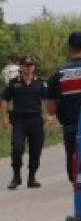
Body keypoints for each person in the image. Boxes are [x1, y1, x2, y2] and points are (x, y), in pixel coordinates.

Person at [45, 31, 81, 183]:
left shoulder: (57, 75)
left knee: (75, 170)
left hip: (71, 129)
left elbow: (50, 110)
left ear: (69, 49)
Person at [2, 56, 48, 189]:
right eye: (26, 65)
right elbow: (5, 99)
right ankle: (16, 176)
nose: (29, 67)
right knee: (17, 149)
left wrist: (49, 115)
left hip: (35, 121)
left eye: (31, 65)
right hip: (19, 121)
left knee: (35, 150)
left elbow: (48, 98)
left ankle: (32, 177)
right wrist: (5, 117)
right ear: (21, 67)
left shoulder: (40, 83)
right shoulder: (13, 82)